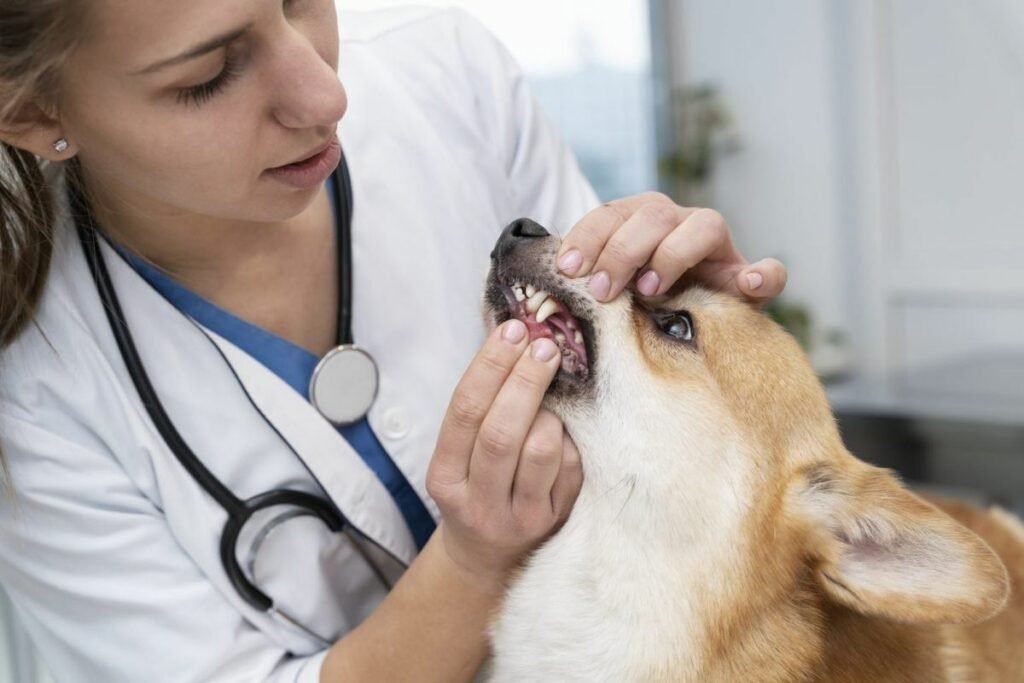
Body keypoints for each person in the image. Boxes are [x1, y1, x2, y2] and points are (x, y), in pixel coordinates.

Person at [0, 1, 787, 681]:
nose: (326, 94)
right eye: (209, 75)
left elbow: (642, 465)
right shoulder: (35, 394)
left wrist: (681, 314)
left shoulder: (446, 77)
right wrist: (472, 560)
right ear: (33, 113)